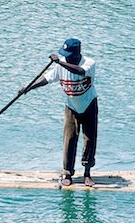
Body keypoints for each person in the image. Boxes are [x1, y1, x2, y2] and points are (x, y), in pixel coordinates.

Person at [20, 38, 98, 187]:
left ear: (78, 53)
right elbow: (46, 79)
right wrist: (28, 88)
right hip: (71, 106)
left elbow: (80, 72)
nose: (66, 57)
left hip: (89, 105)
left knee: (89, 139)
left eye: (69, 54)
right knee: (69, 139)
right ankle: (67, 173)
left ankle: (87, 173)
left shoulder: (89, 63)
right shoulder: (61, 65)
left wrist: (59, 62)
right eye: (64, 54)